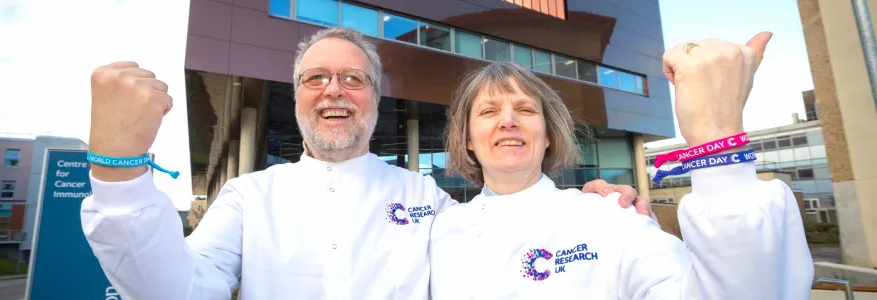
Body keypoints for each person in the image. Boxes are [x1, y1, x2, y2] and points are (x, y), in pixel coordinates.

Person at [80, 27, 648, 299]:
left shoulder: (426, 198)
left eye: (353, 78)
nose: (334, 90)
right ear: (297, 97)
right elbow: (175, 291)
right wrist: (118, 173)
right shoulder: (249, 196)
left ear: (376, 98)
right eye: (316, 78)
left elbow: (508, 240)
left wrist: (587, 206)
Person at [428, 32, 814, 299]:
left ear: (547, 136)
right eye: (489, 112)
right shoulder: (439, 227)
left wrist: (717, 146)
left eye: (526, 109)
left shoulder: (609, 216)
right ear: (467, 138)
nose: (508, 121)